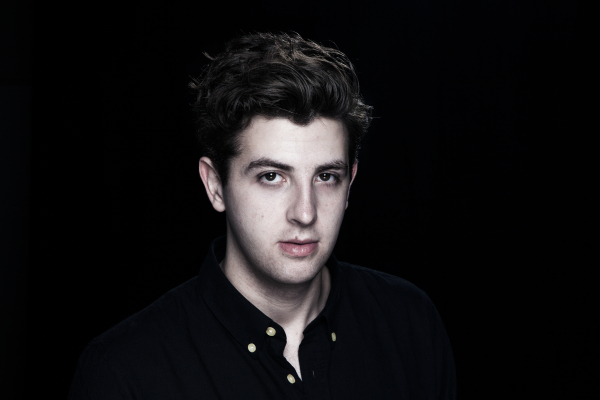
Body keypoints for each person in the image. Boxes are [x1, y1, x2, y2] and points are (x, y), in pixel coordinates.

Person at [68, 32, 456, 399]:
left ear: (350, 182)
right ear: (215, 185)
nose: (305, 212)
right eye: (272, 177)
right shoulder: (124, 371)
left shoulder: (411, 323)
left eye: (325, 177)